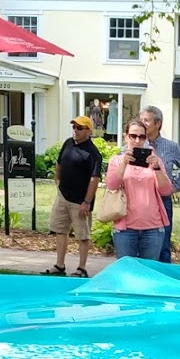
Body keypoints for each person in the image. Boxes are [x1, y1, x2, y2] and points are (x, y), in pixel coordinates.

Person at [43, 115, 105, 277]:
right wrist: (58, 181)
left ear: (89, 131)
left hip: (80, 201)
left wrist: (87, 201)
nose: (75, 131)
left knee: (82, 235)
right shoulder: (68, 143)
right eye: (74, 127)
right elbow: (59, 163)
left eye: (79, 128)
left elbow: (94, 179)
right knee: (60, 230)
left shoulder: (93, 153)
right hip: (63, 196)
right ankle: (60, 265)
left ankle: (81, 268)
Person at [105, 120, 172, 261]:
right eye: (133, 136)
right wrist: (124, 163)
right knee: (126, 270)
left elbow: (166, 190)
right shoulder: (116, 161)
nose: (137, 140)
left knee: (148, 270)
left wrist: (157, 168)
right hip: (125, 228)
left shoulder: (154, 161)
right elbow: (112, 185)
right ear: (126, 137)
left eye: (142, 137)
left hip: (153, 227)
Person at [140, 106, 180, 264]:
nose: (142, 123)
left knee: (163, 245)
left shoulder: (171, 146)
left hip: (163, 200)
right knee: (141, 244)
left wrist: (175, 187)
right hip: (141, 201)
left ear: (158, 123)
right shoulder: (136, 144)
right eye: (141, 120)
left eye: (146, 120)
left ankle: (164, 276)